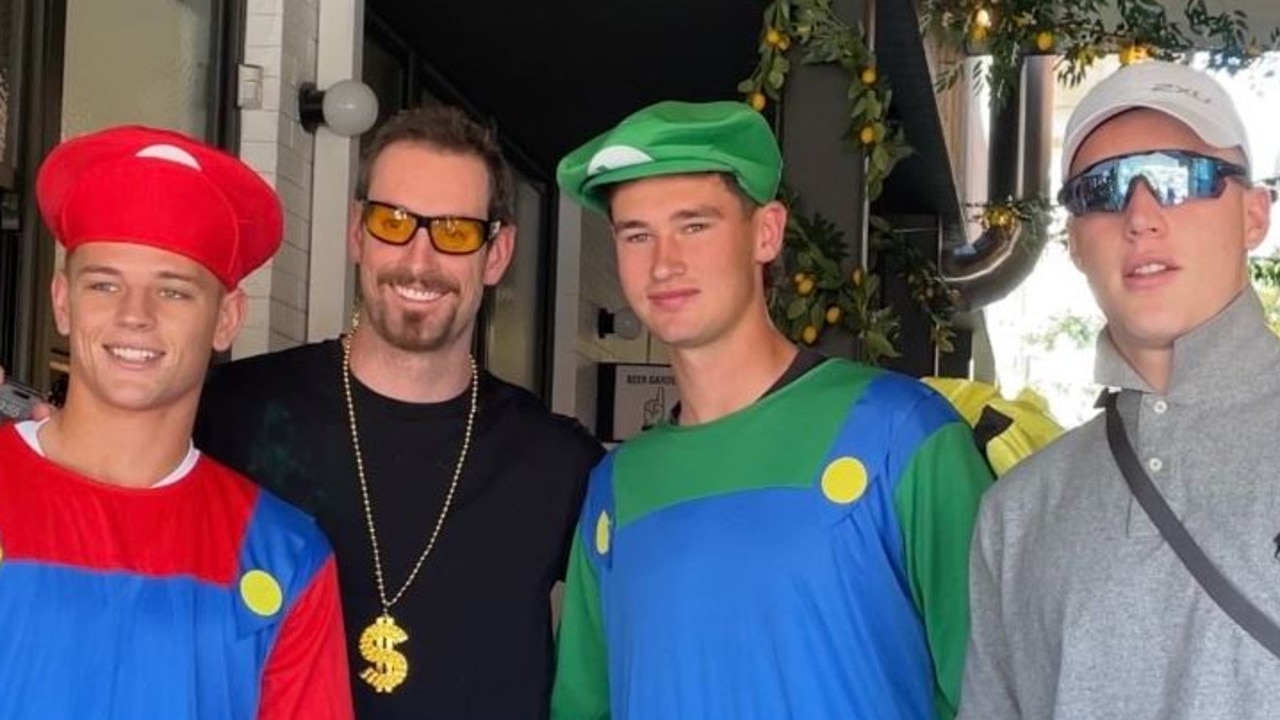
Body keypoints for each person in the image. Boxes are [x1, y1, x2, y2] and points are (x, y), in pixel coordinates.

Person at [551, 100, 995, 719]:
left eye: (695, 225)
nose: (664, 263)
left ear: (767, 232)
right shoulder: (616, 488)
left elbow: (999, 694)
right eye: (637, 235)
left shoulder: (901, 437)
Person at [193, 105, 603, 718]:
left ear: (497, 254)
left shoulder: (557, 461)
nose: (418, 258)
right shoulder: (227, 416)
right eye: (394, 222)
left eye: (455, 232)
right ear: (357, 231)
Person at [960, 60, 1279, 719]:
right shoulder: (1018, 513)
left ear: (1254, 215)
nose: (1140, 216)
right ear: (1074, 240)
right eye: (1101, 191)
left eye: (1178, 177)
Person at [0, 126, 352, 718]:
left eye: (174, 292)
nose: (134, 316)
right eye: (104, 284)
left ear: (227, 319)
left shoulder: (283, 555)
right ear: (63, 302)